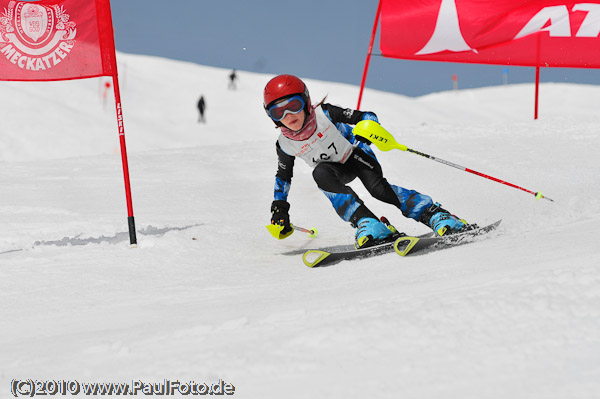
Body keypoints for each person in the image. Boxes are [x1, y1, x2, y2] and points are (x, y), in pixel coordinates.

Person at [264, 74, 475, 248]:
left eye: (293, 105)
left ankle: (435, 214)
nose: (289, 114)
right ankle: (369, 224)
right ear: (272, 116)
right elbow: (283, 176)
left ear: (306, 101)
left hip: (356, 154)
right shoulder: (285, 144)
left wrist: (367, 132)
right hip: (335, 169)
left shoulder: (325, 114)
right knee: (320, 174)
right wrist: (279, 207)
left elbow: (367, 116)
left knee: (378, 189)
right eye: (278, 111)